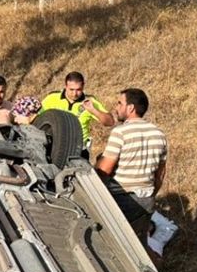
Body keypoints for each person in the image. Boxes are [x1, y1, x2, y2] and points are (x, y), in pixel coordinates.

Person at [95, 88, 167, 239]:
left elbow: (105, 169)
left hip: (121, 199)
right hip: (147, 200)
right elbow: (160, 175)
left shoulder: (120, 132)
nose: (116, 108)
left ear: (130, 108)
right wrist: (151, 195)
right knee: (139, 246)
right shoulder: (159, 134)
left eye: (120, 103)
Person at [40, 72, 114, 150]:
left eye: (78, 90)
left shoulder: (89, 101)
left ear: (83, 86)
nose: (75, 94)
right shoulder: (52, 98)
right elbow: (36, 117)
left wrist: (93, 110)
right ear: (65, 86)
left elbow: (110, 122)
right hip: (53, 147)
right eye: (71, 89)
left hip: (79, 149)